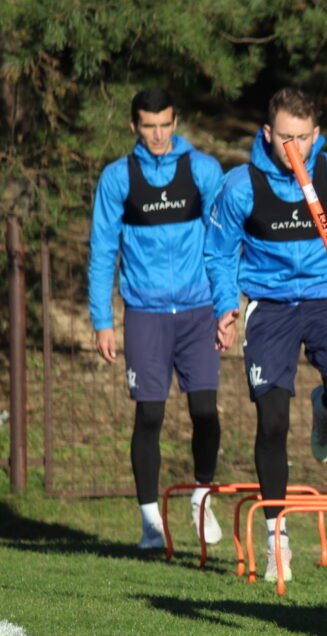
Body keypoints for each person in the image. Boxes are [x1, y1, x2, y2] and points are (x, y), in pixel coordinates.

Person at [205, 87, 327, 582]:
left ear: (316, 135)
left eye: (303, 138)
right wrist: (225, 306)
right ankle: (276, 537)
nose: (294, 148)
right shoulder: (241, 185)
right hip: (272, 305)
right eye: (285, 137)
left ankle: (323, 402)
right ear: (267, 133)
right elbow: (218, 251)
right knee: (272, 420)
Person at [88, 87, 224, 550]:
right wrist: (102, 320)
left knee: (204, 410)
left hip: (199, 310)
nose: (159, 135)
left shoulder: (203, 170)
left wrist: (227, 305)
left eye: (165, 124)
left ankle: (202, 497)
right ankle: (150, 521)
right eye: (149, 126)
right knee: (149, 413)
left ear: (175, 121)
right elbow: (102, 251)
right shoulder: (117, 178)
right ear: (134, 126)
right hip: (145, 313)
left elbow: (224, 242)